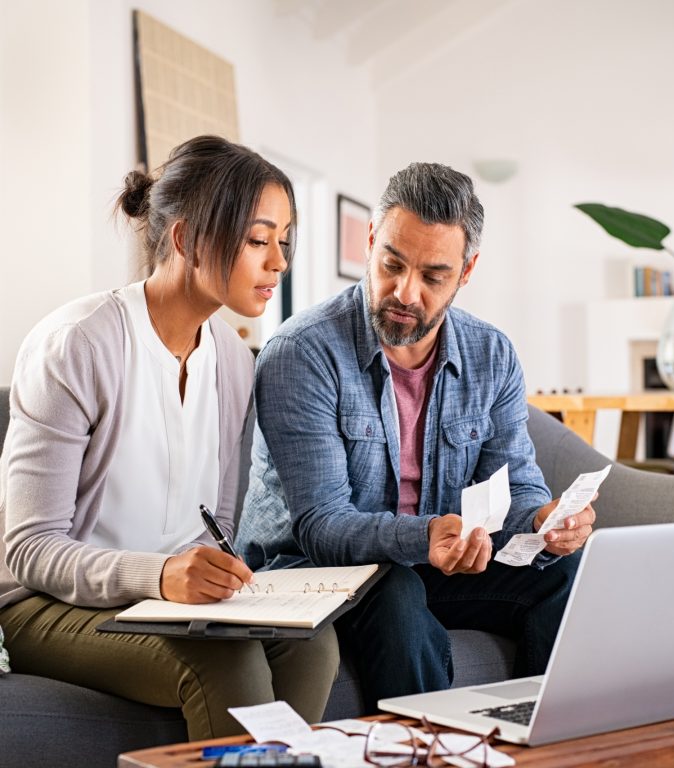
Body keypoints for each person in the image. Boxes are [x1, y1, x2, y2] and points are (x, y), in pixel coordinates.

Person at [0, 135, 339, 739]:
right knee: (227, 661)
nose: (278, 263)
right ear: (185, 239)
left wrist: (219, 576)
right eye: (258, 240)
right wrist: (158, 576)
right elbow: (29, 548)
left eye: (283, 242)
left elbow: (217, 524)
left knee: (312, 644)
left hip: (166, 605)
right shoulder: (77, 345)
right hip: (45, 605)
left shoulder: (234, 363)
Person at [236, 162, 596, 713]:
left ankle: (536, 739)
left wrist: (543, 521)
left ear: (466, 271)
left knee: (565, 573)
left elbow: (516, 486)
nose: (405, 292)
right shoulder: (303, 353)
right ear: (371, 242)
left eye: (433, 276)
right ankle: (429, 747)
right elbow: (322, 527)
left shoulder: (491, 355)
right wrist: (426, 536)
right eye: (392, 265)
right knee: (397, 590)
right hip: (308, 571)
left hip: (430, 562)